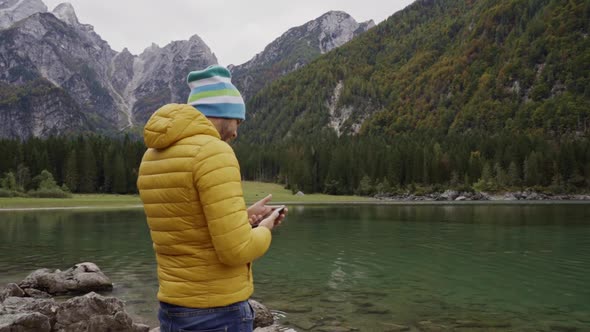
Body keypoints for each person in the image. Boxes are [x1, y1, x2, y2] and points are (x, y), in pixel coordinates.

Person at [137, 65, 287, 332]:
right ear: (223, 114)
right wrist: (265, 229)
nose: (236, 133)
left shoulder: (152, 156)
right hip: (218, 311)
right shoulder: (214, 151)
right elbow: (236, 251)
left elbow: (187, 224)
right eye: (237, 121)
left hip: (173, 309)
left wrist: (241, 216)